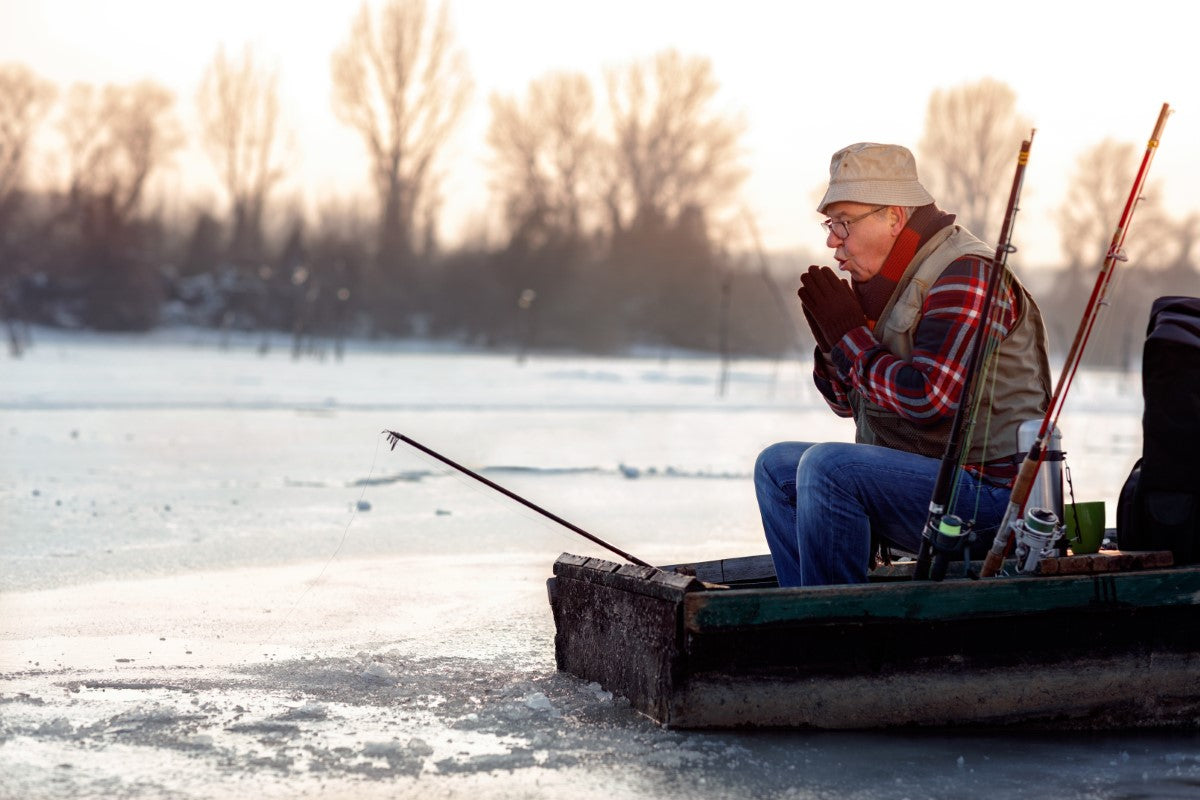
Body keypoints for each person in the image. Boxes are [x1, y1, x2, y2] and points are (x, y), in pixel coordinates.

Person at [755, 142, 1052, 587]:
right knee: (776, 466)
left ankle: (833, 628)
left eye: (844, 223)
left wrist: (848, 337)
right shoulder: (883, 284)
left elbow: (928, 399)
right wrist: (831, 341)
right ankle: (802, 618)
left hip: (992, 501)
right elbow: (845, 403)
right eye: (830, 223)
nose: (832, 239)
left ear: (894, 217)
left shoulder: (965, 274)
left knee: (828, 467)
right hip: (931, 486)